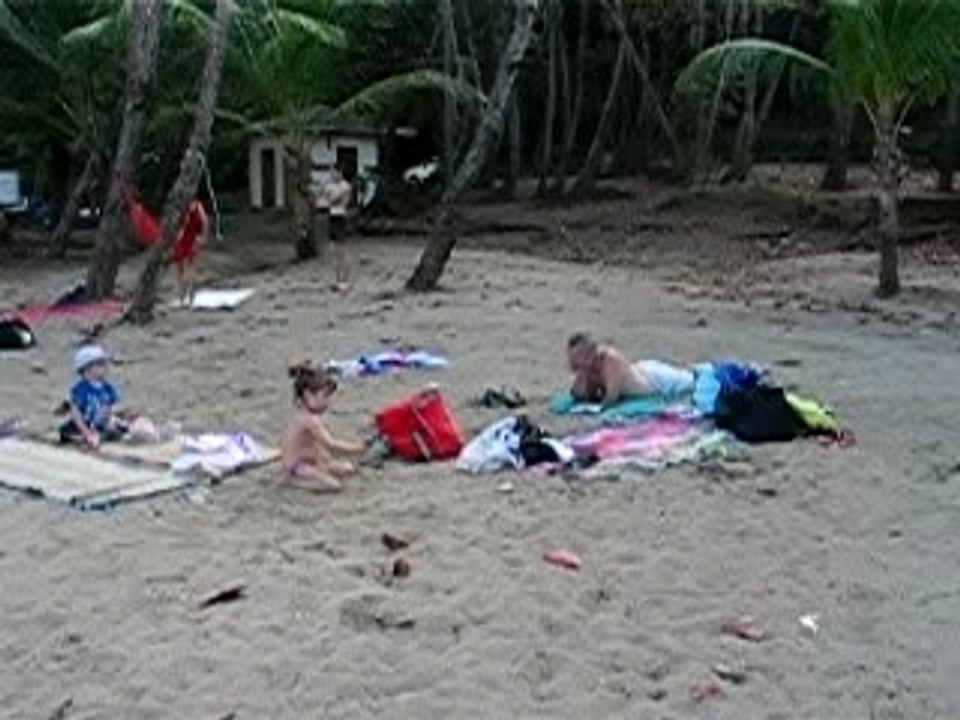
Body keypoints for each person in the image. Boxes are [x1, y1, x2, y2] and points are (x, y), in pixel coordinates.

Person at [280, 362, 365, 492]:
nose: (328, 402)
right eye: (324, 397)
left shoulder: (307, 416)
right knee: (333, 485)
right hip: (297, 466)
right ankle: (293, 482)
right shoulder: (308, 420)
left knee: (348, 469)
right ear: (308, 395)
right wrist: (357, 448)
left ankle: (317, 472)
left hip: (312, 460)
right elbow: (331, 444)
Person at [567, 332, 695, 406]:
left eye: (579, 357)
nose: (576, 361)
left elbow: (611, 397)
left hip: (654, 380)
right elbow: (578, 395)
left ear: (590, 353)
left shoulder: (610, 360)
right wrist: (581, 374)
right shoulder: (588, 368)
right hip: (641, 370)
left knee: (694, 382)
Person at [60, 344, 128, 448]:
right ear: (87, 368)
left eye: (104, 363)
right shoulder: (81, 389)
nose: (105, 367)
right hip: (83, 424)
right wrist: (86, 432)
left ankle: (99, 436)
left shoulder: (107, 387)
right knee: (66, 431)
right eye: (100, 364)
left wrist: (110, 420)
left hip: (99, 424)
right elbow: (76, 413)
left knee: (117, 429)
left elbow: (108, 407)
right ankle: (86, 438)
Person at [317, 168, 353, 292]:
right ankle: (338, 280)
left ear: (340, 173)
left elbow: (333, 199)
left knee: (342, 250)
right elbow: (321, 200)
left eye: (334, 172)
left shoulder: (345, 186)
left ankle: (346, 280)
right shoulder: (331, 186)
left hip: (340, 217)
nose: (332, 175)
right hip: (332, 217)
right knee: (334, 251)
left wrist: (326, 198)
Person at [171, 199, 209, 306]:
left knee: (180, 269)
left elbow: (174, 223)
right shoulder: (197, 205)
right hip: (191, 238)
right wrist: (203, 237)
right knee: (188, 267)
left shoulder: (179, 205)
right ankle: (190, 298)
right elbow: (205, 221)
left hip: (182, 238)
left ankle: (182, 297)